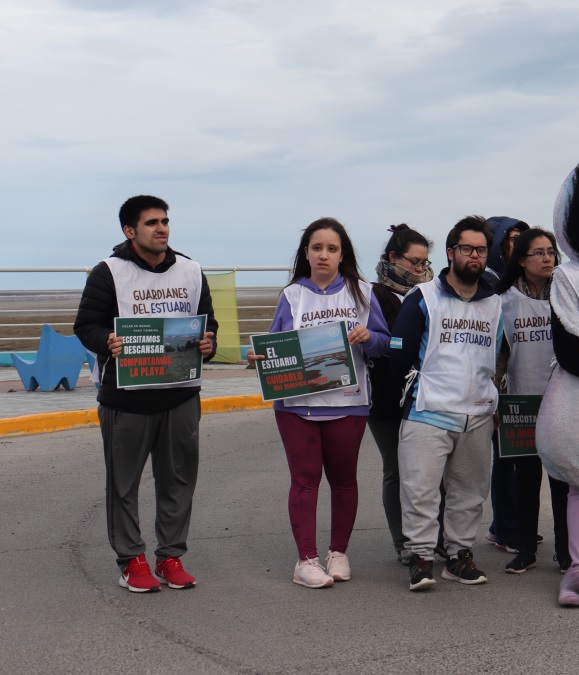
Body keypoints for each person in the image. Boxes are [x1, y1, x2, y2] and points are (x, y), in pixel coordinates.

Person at [74, 195, 218, 593]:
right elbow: (85, 325)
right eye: (152, 222)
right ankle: (131, 560)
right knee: (123, 484)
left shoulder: (191, 270)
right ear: (129, 231)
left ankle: (170, 556)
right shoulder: (108, 273)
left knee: (178, 481)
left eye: (165, 221)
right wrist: (107, 341)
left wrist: (209, 343)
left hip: (181, 396)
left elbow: (208, 324)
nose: (162, 228)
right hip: (127, 400)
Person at [249, 218, 390, 589]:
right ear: (306, 253)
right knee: (304, 481)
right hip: (297, 405)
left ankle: (338, 552)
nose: (323, 255)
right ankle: (306, 560)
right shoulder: (292, 295)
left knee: (344, 481)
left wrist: (368, 336)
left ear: (343, 254)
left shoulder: (363, 292)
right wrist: (259, 359)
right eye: (316, 248)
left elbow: (385, 343)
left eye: (331, 248)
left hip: (350, 401)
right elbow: (275, 347)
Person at [391, 215, 503, 591]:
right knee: (420, 491)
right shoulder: (422, 298)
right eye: (467, 248)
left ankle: (458, 557)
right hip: (428, 412)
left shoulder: (495, 303)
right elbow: (400, 356)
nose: (475, 256)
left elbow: (498, 356)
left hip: (478, 413)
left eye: (481, 250)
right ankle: (421, 558)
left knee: (469, 494)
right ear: (452, 252)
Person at [493, 228, 571, 573]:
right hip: (520, 402)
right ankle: (525, 548)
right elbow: (496, 354)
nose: (547, 258)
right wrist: (495, 399)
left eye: (551, 251)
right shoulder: (502, 300)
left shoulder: (568, 295)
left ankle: (566, 551)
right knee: (525, 480)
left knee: (563, 480)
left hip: (564, 400)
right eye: (538, 252)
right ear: (521, 260)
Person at [367, 224, 437, 562]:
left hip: (425, 396)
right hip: (386, 396)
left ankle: (431, 538)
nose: (420, 269)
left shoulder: (430, 294)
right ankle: (403, 543)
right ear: (393, 257)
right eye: (413, 261)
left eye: (424, 262)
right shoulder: (372, 294)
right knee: (396, 469)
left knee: (430, 472)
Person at [483, 216, 530, 552]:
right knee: (506, 460)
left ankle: (512, 524)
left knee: (524, 461)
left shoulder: (524, 282)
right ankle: (506, 529)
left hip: (533, 384)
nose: (519, 243)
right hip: (505, 386)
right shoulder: (491, 284)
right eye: (514, 237)